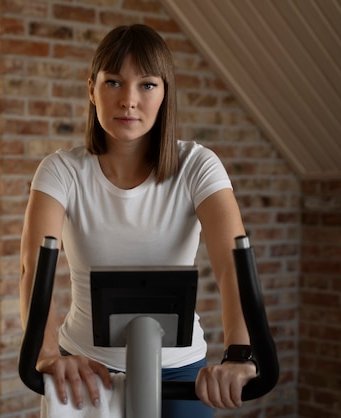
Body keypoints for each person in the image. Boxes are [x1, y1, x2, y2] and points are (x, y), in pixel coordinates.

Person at [19, 24, 257, 417]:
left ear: (165, 94)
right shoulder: (60, 171)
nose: (129, 100)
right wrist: (44, 354)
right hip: (86, 370)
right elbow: (33, 268)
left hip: (178, 371)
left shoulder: (197, 166)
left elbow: (233, 267)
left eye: (147, 85)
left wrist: (239, 354)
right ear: (90, 88)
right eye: (113, 82)